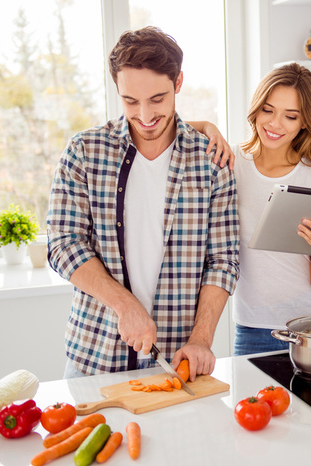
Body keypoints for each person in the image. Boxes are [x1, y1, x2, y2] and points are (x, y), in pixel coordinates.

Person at [47, 26, 239, 379]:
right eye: (130, 101)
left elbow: (223, 260)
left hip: (178, 363)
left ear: (178, 83)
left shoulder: (211, 160)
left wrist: (201, 339)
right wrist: (125, 305)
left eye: (157, 99)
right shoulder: (85, 152)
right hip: (94, 358)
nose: (146, 115)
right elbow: (62, 244)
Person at [195, 63, 311, 355]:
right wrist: (206, 127)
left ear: (305, 122)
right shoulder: (230, 161)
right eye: (268, 109)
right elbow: (164, 128)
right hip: (253, 328)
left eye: (291, 116)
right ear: (256, 108)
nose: (275, 124)